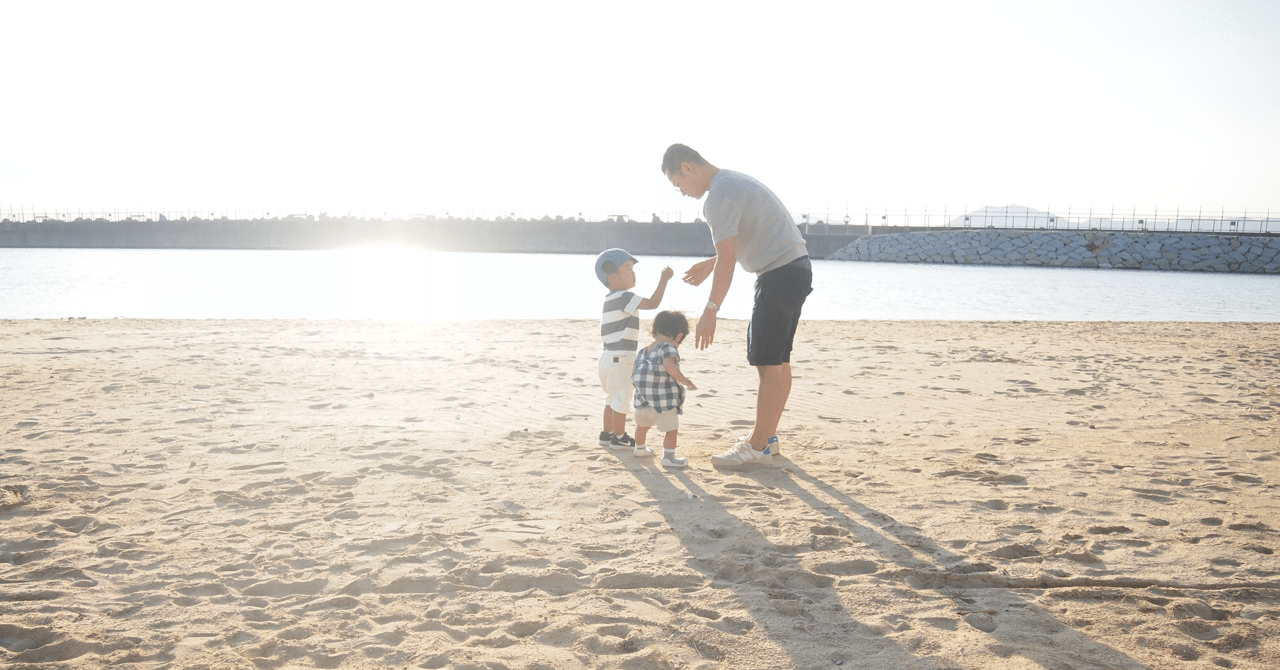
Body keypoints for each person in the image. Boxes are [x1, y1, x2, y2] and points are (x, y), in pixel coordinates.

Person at [661, 143, 813, 466]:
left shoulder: (717, 196)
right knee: (777, 361)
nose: (683, 192)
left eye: (678, 184)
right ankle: (767, 440)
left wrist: (710, 310)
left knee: (768, 363)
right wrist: (711, 262)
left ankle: (757, 447)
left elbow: (729, 257)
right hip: (794, 269)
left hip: (778, 274)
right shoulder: (730, 181)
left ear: (687, 168)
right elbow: (740, 240)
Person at [595, 248, 673, 453]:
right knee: (621, 397)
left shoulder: (609, 299)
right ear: (613, 276)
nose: (633, 273)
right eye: (628, 269)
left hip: (606, 357)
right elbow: (654, 303)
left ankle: (607, 433)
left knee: (612, 396)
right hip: (621, 358)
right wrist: (664, 279)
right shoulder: (624, 297)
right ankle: (619, 438)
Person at [632, 311, 696, 468]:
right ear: (679, 336)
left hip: (642, 401)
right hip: (663, 402)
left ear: (654, 331)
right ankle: (669, 457)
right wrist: (685, 381)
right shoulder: (668, 347)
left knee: (642, 426)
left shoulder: (643, 351)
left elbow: (634, 372)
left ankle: (639, 448)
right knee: (671, 429)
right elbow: (669, 365)